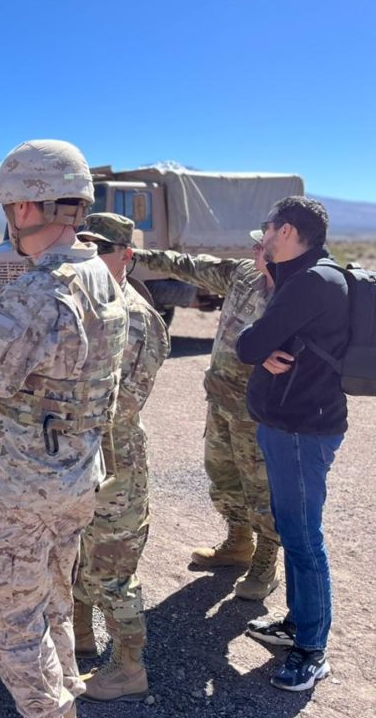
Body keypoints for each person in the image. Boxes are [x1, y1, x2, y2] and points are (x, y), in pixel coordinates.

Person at [0, 139, 128, 718]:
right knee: (51, 603)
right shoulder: (101, 277)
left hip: (19, 491)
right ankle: (68, 695)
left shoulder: (40, 290)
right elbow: (52, 360)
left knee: (6, 624)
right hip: (75, 478)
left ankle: (51, 710)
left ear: (26, 208)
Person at [236, 196, 349, 692]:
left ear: (285, 231)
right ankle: (297, 626)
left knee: (304, 538)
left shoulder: (310, 282)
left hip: (303, 430)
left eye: (266, 229)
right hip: (294, 424)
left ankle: (312, 649)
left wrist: (257, 346)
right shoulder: (309, 276)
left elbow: (251, 345)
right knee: (294, 528)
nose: (261, 237)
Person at [132, 233, 279, 601]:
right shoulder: (242, 273)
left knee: (261, 487)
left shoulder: (295, 292)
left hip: (259, 410)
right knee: (223, 477)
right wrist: (139, 255)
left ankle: (265, 562)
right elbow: (190, 265)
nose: (255, 249)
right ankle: (239, 543)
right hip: (221, 399)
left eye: (263, 245)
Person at [69, 214, 169, 702]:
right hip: (81, 456)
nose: (90, 255)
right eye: (82, 245)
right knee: (78, 557)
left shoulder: (133, 317)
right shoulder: (88, 304)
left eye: (101, 247)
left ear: (126, 255)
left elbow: (119, 405)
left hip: (114, 462)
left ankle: (129, 668)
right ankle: (80, 639)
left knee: (110, 568)